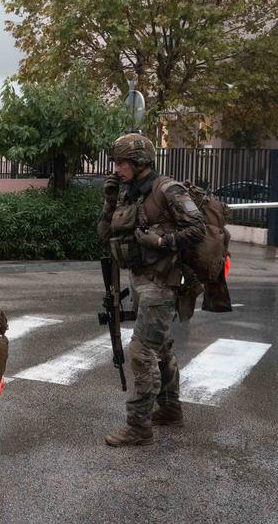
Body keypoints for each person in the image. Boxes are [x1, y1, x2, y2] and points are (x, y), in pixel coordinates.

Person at [98, 133, 206, 446]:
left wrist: (162, 242)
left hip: (163, 281)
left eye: (122, 162)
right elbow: (104, 233)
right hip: (140, 279)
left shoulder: (167, 189)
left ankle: (138, 427)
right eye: (116, 162)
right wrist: (109, 201)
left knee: (141, 351)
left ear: (140, 161)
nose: (117, 168)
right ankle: (170, 409)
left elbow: (197, 228)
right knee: (161, 348)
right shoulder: (126, 192)